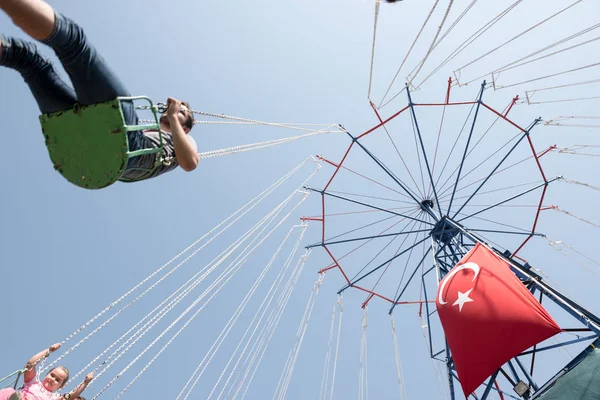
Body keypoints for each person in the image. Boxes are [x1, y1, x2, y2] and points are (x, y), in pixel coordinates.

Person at [0, 0, 199, 182]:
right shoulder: (146, 128)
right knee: (28, 59)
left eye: (183, 112)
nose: (174, 110)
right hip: (96, 145)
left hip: (128, 148)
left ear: (186, 129)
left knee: (73, 43)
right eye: (177, 109)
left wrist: (174, 118)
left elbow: (190, 163)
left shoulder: (184, 140)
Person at [0, 343, 93, 400]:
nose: (53, 379)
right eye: (52, 375)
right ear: (47, 374)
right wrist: (48, 350)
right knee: (9, 391)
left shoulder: (55, 397)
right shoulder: (33, 383)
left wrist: (86, 382)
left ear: (61, 386)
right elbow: (30, 365)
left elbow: (72, 396)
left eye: (58, 380)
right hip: (21, 398)